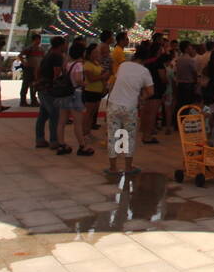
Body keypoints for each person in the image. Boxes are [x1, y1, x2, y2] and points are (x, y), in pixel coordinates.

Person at [105, 42, 154, 179]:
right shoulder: (144, 72)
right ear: (145, 59)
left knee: (112, 136)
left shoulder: (123, 66)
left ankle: (113, 167)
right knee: (129, 136)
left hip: (114, 103)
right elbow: (151, 91)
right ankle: (128, 167)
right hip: (130, 106)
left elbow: (115, 81)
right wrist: (141, 97)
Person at [55, 44, 95, 156]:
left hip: (65, 94)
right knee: (78, 123)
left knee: (61, 121)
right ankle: (82, 146)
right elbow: (77, 79)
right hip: (75, 94)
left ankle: (61, 144)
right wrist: (85, 83)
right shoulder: (79, 65)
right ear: (82, 53)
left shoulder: (68, 64)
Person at [34, 37, 67, 149]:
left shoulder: (48, 54)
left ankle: (40, 139)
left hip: (43, 86)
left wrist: (38, 81)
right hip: (50, 89)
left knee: (43, 115)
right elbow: (57, 73)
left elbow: (38, 69)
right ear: (61, 45)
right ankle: (54, 140)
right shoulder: (57, 56)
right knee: (54, 115)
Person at [81, 42, 106, 144]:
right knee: (88, 113)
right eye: (95, 52)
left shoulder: (97, 63)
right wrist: (102, 76)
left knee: (92, 114)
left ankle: (88, 132)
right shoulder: (87, 64)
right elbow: (90, 79)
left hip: (97, 91)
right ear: (90, 53)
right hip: (90, 91)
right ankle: (84, 133)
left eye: (97, 52)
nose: (97, 54)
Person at [173, 39, 199, 116]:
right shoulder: (190, 60)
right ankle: (184, 121)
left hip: (180, 84)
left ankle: (177, 122)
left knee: (180, 104)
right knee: (187, 105)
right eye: (190, 47)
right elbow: (194, 72)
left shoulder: (179, 59)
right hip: (188, 84)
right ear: (186, 49)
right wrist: (196, 82)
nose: (191, 49)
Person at [20, 32, 43, 107]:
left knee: (34, 85)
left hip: (37, 69)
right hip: (29, 68)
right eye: (37, 39)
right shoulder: (29, 48)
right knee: (25, 85)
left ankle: (34, 100)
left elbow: (43, 57)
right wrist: (24, 63)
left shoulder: (41, 49)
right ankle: (23, 101)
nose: (38, 41)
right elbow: (20, 55)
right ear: (34, 40)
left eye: (39, 39)